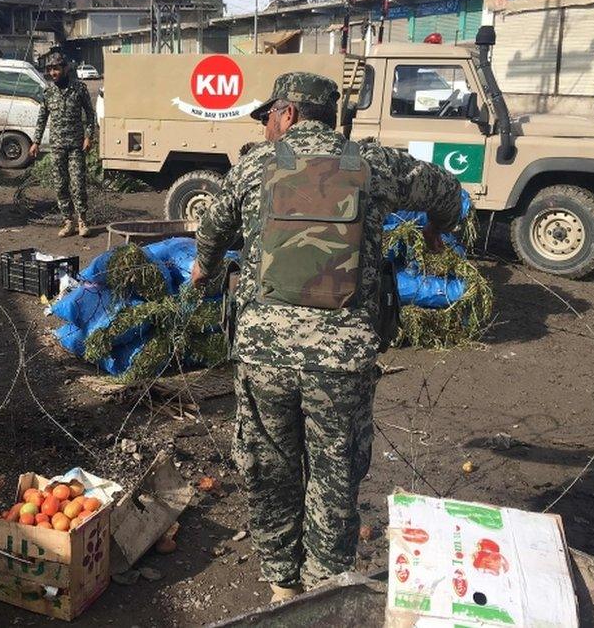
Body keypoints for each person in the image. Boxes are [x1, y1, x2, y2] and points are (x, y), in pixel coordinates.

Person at [190, 72, 462, 603]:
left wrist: (202, 268)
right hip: (342, 360)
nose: (267, 126)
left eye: (269, 115)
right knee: (335, 474)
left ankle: (279, 581)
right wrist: (434, 229)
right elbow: (447, 191)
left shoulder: (252, 167)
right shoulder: (374, 165)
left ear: (288, 113)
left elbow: (211, 229)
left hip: (264, 356)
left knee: (269, 467)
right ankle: (324, 591)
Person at [29, 52, 97, 238]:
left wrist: (89, 137)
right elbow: (42, 118)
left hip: (76, 145)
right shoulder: (48, 92)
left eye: (56, 68)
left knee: (78, 184)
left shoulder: (79, 89)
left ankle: (82, 221)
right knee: (60, 185)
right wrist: (35, 141)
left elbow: (90, 115)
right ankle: (68, 222)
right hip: (57, 146)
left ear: (65, 69)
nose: (53, 72)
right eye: (50, 69)